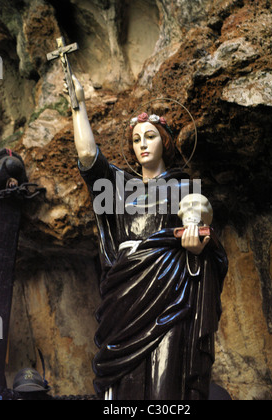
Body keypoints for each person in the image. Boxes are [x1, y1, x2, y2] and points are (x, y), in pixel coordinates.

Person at [69, 76, 228, 400]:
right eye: (137, 138)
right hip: (125, 293)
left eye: (150, 136)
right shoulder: (119, 188)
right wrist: (78, 105)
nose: (143, 143)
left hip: (169, 293)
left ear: (164, 143)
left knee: (165, 380)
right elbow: (88, 155)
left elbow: (197, 217)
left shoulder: (182, 187)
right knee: (124, 384)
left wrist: (196, 237)